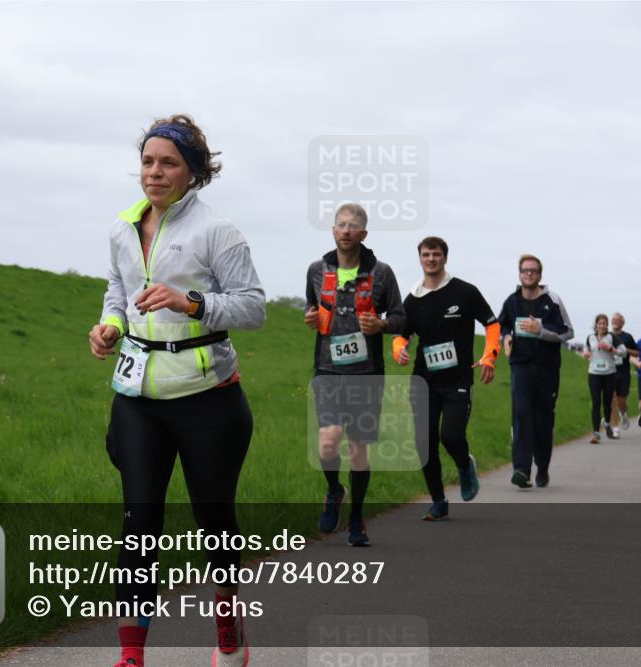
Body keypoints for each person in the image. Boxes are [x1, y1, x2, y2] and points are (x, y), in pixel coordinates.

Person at [89, 115, 266, 667]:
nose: (154, 172)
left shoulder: (219, 231)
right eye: (148, 161)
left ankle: (228, 623)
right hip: (138, 397)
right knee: (139, 522)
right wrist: (110, 325)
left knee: (213, 521)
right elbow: (117, 289)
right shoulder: (122, 226)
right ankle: (132, 655)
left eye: (168, 163)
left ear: (193, 172)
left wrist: (190, 303)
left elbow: (254, 308)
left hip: (207, 397)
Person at [305, 203, 405, 546]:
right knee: (328, 440)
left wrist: (382, 324)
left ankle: (358, 519)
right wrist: (311, 316)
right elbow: (312, 306)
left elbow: (401, 318)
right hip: (327, 370)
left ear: (363, 234)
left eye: (353, 226)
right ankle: (335, 491)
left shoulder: (383, 273)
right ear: (333, 230)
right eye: (340, 225)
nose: (346, 231)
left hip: (367, 374)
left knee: (358, 449)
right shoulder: (317, 270)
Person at [392, 237, 500, 520]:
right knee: (424, 442)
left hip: (457, 379)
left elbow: (491, 323)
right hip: (423, 380)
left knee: (451, 435)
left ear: (444, 258)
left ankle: (465, 467)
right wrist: (398, 350)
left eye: (436, 254)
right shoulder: (413, 298)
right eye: (426, 254)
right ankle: (438, 500)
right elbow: (403, 334)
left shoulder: (464, 292)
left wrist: (490, 356)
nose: (431, 259)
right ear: (419, 259)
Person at [498, 254, 574, 488]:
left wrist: (540, 329)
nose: (529, 274)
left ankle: (542, 466)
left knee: (542, 421)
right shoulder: (511, 301)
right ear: (519, 274)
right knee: (521, 415)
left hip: (547, 369)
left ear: (540, 275)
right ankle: (521, 470)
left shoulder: (552, 300)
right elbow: (502, 325)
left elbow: (567, 332)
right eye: (525, 270)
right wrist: (506, 337)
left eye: (533, 271)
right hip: (520, 366)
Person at [584, 314, 626, 444]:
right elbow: (587, 348)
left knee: (607, 403)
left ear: (607, 325)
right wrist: (586, 353)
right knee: (596, 402)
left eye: (604, 323)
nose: (602, 326)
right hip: (594, 373)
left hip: (609, 374)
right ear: (596, 325)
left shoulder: (612, 337)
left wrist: (612, 349)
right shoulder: (590, 337)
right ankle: (596, 433)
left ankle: (607, 423)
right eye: (600, 323)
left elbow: (623, 352)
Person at [609, 312, 640, 438]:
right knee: (612, 400)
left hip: (623, 373)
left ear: (622, 323)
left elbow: (637, 353)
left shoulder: (627, 337)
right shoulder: (607, 336)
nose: (615, 322)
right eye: (613, 320)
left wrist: (625, 350)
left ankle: (624, 414)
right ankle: (615, 427)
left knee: (621, 401)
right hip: (609, 372)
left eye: (617, 320)